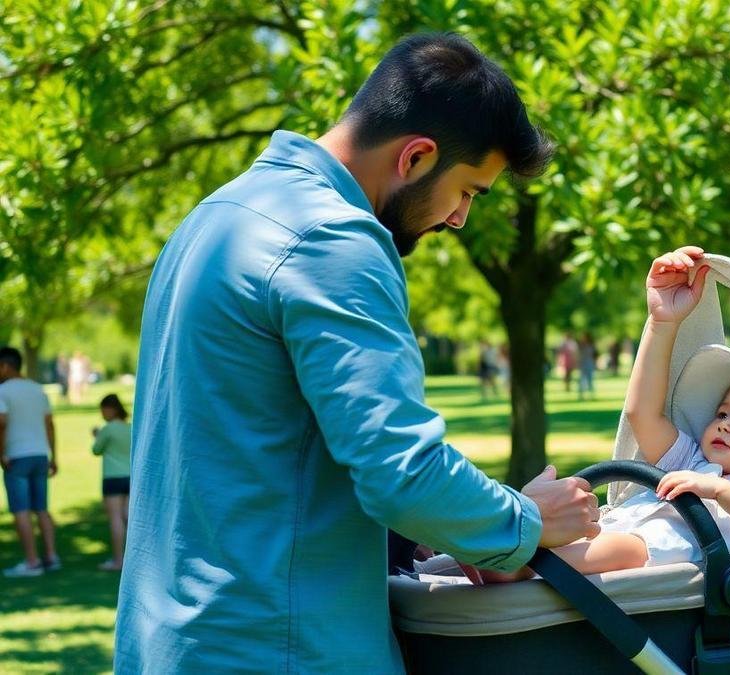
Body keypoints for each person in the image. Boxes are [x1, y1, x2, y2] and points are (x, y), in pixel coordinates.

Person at [114, 33, 599, 673]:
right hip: (279, 648)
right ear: (418, 157)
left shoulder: (217, 214)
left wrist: (470, 529)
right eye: (470, 191)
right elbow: (402, 473)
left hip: (173, 640)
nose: (459, 219)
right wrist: (526, 520)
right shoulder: (334, 239)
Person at [477, 247, 730, 581]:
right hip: (617, 526)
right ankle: (503, 551)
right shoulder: (692, 461)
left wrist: (718, 490)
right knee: (590, 531)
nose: (725, 425)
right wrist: (661, 322)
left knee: (624, 549)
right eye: (722, 413)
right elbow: (642, 414)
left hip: (654, 547)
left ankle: (516, 568)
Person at [0, 346, 60, 577]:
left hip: (16, 457)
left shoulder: (3, 392)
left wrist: (1, 453)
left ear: (5, 366)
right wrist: (54, 456)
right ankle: (51, 557)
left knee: (21, 510)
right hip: (40, 455)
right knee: (42, 509)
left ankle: (32, 562)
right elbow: (50, 424)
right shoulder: (38, 390)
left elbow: (2, 423)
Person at [92, 394, 132, 571]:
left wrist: (96, 435)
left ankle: (118, 559)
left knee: (116, 519)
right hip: (130, 476)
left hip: (112, 477)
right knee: (129, 517)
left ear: (110, 409)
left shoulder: (108, 429)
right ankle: (136, 559)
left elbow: (96, 450)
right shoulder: (131, 427)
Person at [577, 332, 597, 400]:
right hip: (583, 364)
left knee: (590, 379)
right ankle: (581, 395)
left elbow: (594, 355)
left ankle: (591, 394)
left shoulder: (591, 345)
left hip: (589, 363)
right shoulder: (581, 346)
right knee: (582, 380)